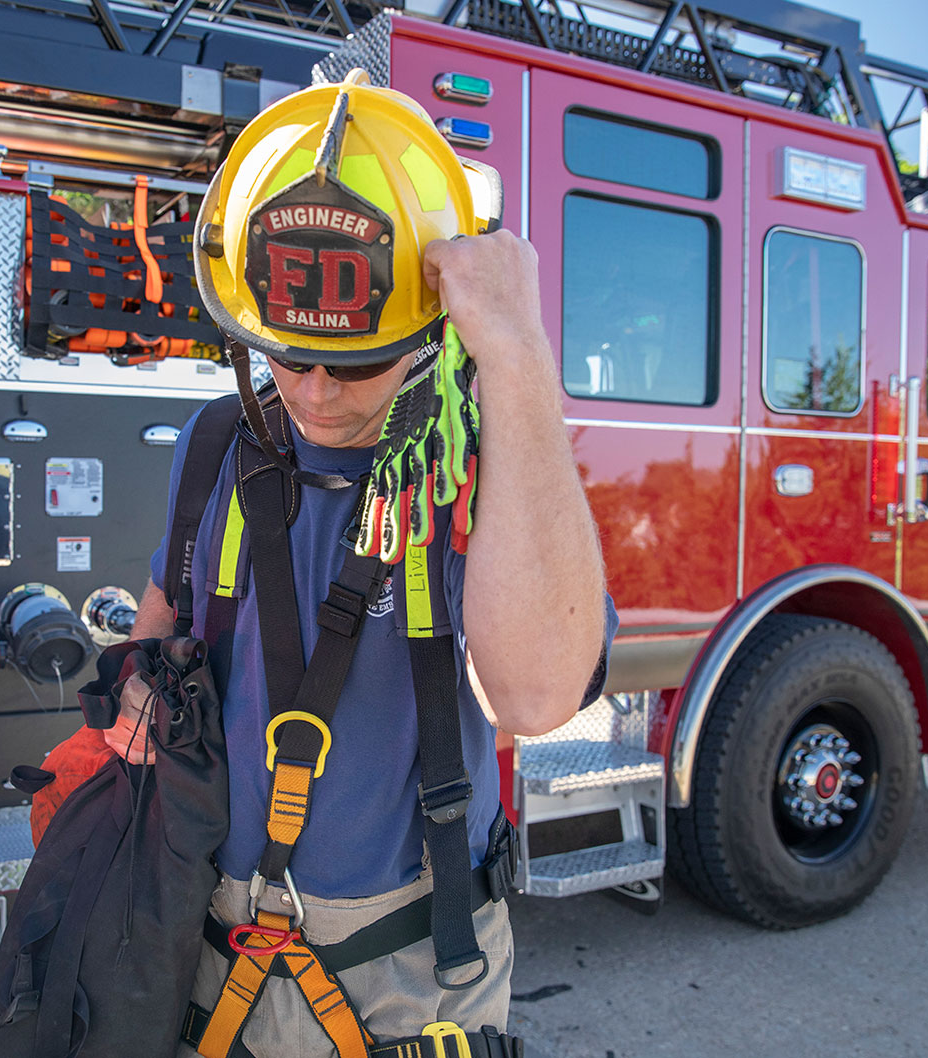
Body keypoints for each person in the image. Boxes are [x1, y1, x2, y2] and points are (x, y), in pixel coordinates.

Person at [105, 72, 616, 1058]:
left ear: (430, 327)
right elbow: (170, 612)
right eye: (284, 354)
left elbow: (540, 694)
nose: (314, 390)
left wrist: (514, 357)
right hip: (210, 943)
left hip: (413, 971)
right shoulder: (216, 442)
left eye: (354, 362)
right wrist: (138, 694)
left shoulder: (487, 465)